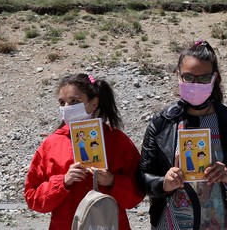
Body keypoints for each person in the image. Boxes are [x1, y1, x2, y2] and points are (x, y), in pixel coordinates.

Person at [137, 40, 227, 229]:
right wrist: (164, 183)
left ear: (214, 78)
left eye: (203, 78)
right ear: (178, 75)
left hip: (220, 223)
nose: (195, 83)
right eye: (188, 77)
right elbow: (142, 178)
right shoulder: (162, 123)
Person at [24, 74, 145, 230]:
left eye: (74, 101)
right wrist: (62, 182)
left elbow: (137, 194)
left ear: (93, 103)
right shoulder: (51, 144)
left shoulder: (117, 141)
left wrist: (112, 181)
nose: (67, 107)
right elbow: (32, 198)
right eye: (62, 102)